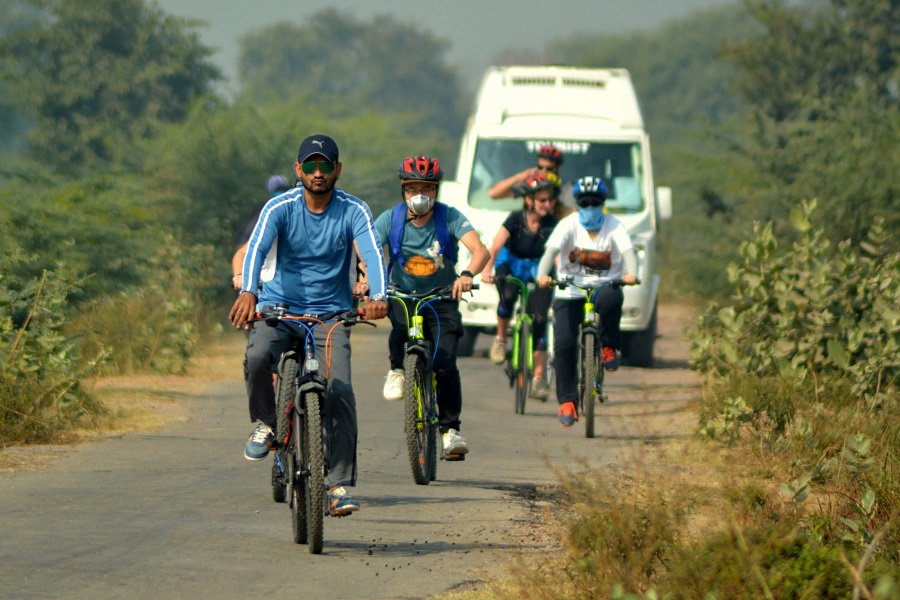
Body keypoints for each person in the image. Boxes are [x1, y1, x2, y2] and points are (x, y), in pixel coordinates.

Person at [229, 134, 389, 516]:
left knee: (340, 391)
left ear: (337, 170)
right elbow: (254, 250)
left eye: (326, 165)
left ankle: (338, 486)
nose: (319, 173)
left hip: (331, 317)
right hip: (279, 309)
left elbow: (371, 253)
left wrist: (377, 296)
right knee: (258, 356)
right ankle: (266, 424)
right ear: (298, 170)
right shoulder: (279, 207)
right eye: (311, 166)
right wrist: (249, 291)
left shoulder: (354, 210)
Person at [372, 155, 490, 456]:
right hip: (402, 294)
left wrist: (466, 275)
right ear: (403, 190)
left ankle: (450, 431)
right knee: (400, 326)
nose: (419, 195)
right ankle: (397, 368)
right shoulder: (391, 219)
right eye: (412, 189)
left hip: (442, 297)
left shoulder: (449, 217)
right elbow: (368, 251)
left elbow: (480, 250)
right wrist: (365, 281)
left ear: (436, 190)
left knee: (446, 363)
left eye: (426, 188)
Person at [536, 175, 637, 427]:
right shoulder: (568, 224)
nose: (590, 207)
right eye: (585, 202)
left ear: (602, 203)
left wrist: (631, 273)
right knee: (564, 344)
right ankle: (568, 401)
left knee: (612, 299)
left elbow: (628, 253)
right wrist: (542, 275)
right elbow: (550, 252)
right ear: (578, 204)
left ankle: (609, 347)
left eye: (595, 202)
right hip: (570, 290)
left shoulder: (614, 225)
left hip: (604, 286)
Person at [481, 171, 561, 400]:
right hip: (512, 264)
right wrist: (487, 271)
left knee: (540, 320)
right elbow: (495, 247)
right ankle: (500, 339)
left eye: (551, 200)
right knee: (507, 297)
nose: (547, 205)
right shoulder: (515, 218)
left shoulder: (552, 224)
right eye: (542, 200)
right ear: (529, 200)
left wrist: (559, 274)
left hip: (539, 269)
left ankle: (538, 379)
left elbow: (556, 254)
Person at [231, 175, 292, 290]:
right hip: (266, 286)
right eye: (277, 191)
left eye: (284, 190)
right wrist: (239, 275)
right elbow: (242, 251)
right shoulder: (267, 214)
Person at [488, 143, 563, 199]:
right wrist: (520, 176)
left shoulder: (566, 188)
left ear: (557, 169)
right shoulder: (532, 185)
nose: (544, 171)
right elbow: (493, 193)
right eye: (540, 167)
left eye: (549, 169)